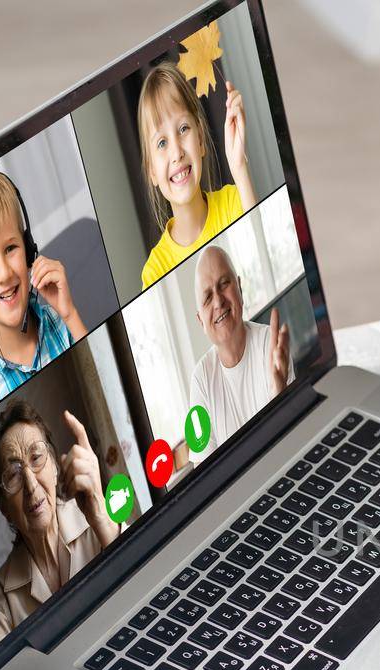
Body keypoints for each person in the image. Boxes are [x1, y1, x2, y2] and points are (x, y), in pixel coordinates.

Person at [0, 171, 87, 431]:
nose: (4, 273)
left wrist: (70, 314)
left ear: (28, 248)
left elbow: (99, 376)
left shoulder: (60, 324)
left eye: (11, 248)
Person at [0, 400, 120, 649]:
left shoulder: (98, 521)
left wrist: (101, 517)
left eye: (36, 457)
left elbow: (148, 584)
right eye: (13, 474)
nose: (31, 485)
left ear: (55, 467)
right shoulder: (3, 592)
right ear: (4, 508)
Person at [136, 63, 254, 290]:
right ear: (151, 170)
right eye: (162, 143)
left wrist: (238, 166)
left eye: (183, 129)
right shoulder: (155, 272)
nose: (177, 152)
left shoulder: (233, 201)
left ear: (200, 139)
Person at [186, 245, 291, 457]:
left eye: (224, 284)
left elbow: (290, 442)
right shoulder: (200, 379)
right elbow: (204, 471)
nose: (218, 301)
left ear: (240, 288)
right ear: (200, 321)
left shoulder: (268, 345)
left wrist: (279, 396)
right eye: (207, 297)